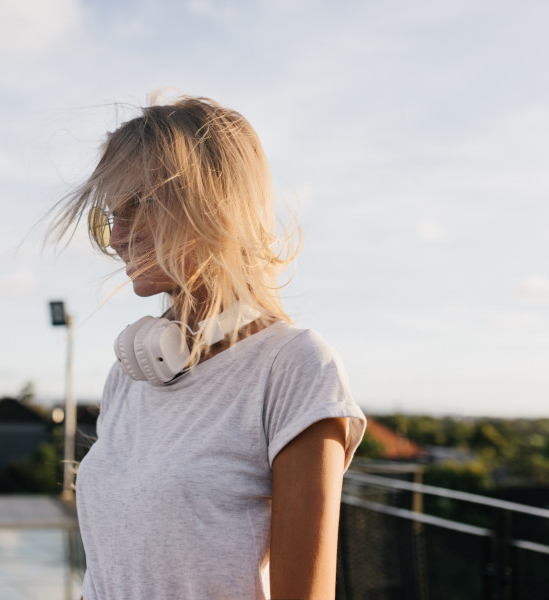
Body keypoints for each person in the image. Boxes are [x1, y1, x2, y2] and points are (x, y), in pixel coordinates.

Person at [49, 95, 366, 600]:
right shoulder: (130, 376)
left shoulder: (294, 366)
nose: (116, 237)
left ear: (209, 205)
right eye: (109, 215)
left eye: (135, 207)